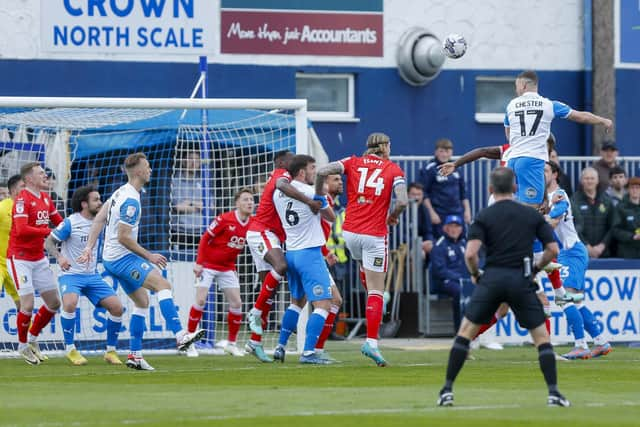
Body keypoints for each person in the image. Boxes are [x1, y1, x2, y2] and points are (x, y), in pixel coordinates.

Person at [436, 167, 569, 408]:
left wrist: (476, 274)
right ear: (515, 188)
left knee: (464, 334)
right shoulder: (531, 215)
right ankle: (554, 393)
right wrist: (536, 269)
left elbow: (471, 254)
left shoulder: (483, 216)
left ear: (490, 189)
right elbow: (553, 251)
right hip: (521, 279)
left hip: (493, 278)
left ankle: (446, 391)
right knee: (541, 338)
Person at [79, 153, 204, 371]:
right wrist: (150, 256)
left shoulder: (120, 192)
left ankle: (135, 355)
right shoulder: (130, 200)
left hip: (110, 258)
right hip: (121, 258)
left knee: (142, 302)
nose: (150, 170)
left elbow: (99, 217)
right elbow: (124, 236)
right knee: (163, 285)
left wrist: (90, 247)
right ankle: (181, 335)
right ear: (138, 172)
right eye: (147, 167)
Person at [316, 132, 408, 367]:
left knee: (363, 266)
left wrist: (318, 196)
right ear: (385, 147)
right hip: (374, 235)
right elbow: (403, 200)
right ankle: (371, 343)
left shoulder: (352, 161)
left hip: (349, 233)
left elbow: (321, 171)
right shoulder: (393, 169)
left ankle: (370, 286)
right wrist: (394, 217)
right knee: (377, 292)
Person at [244, 150, 321, 363]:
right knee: (281, 266)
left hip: (268, 235)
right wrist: (309, 201)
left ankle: (255, 341)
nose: (293, 161)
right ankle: (255, 312)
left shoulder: (283, 177)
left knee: (269, 291)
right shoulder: (282, 175)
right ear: (281, 162)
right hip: (263, 232)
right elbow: (281, 186)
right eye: (290, 158)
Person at [503, 70, 612, 208]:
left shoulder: (510, 105)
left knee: (512, 204)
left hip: (511, 161)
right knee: (532, 208)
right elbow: (580, 116)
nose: (516, 89)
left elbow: (508, 136)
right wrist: (602, 120)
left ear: (523, 85)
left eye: (517, 86)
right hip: (532, 159)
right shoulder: (549, 104)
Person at [45, 186, 124, 366]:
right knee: (70, 303)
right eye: (96, 200)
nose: (100, 202)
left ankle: (111, 351)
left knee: (117, 307)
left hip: (92, 276)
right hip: (71, 275)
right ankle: (70, 349)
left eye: (100, 199)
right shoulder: (71, 222)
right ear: (84, 204)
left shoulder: (101, 221)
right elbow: (49, 241)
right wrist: (59, 257)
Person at [544, 161, 612, 359]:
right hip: (568, 253)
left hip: (572, 252)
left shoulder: (561, 195)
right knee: (577, 301)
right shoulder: (546, 199)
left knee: (564, 297)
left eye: (546, 171)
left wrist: (541, 216)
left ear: (555, 174)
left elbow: (555, 218)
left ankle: (581, 345)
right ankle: (600, 341)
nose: (542, 175)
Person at [272, 155, 336, 364]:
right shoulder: (311, 192)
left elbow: (282, 186)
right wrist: (322, 196)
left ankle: (280, 346)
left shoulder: (277, 195)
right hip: (309, 254)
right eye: (312, 168)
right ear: (301, 172)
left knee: (296, 303)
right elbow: (331, 217)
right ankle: (309, 352)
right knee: (323, 304)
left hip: (291, 252)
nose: (315, 173)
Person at [185, 188, 254, 358]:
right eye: (245, 200)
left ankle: (231, 344)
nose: (249, 203)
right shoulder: (224, 219)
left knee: (237, 304)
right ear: (237, 203)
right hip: (208, 265)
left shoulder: (253, 223)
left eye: (252, 200)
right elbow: (204, 238)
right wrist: (199, 262)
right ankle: (188, 342)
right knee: (200, 300)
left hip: (228, 267)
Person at [8, 162, 64, 365]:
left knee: (54, 303)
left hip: (38, 258)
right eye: (41, 174)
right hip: (20, 258)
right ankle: (22, 346)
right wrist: (48, 232)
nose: (46, 176)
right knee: (28, 304)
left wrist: (76, 228)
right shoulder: (22, 199)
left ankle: (32, 338)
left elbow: (59, 222)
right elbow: (22, 230)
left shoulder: (46, 198)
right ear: (29, 179)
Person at [419, 138, 471, 238]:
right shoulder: (430, 169)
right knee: (441, 241)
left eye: (447, 151)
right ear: (436, 152)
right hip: (439, 213)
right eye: (441, 151)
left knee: (460, 240)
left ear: (451, 152)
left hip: (457, 211)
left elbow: (463, 193)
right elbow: (424, 193)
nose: (444, 154)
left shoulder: (456, 169)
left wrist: (467, 211)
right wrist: (432, 213)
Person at [430, 214, 467, 332]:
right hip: (444, 282)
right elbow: (439, 271)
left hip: (463, 280)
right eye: (451, 226)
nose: (454, 229)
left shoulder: (464, 244)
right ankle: (460, 331)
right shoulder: (440, 244)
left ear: (461, 229)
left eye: (457, 226)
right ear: (445, 228)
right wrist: (459, 278)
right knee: (460, 291)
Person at [170, 150, 213, 250]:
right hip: (180, 231)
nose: (193, 162)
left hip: (201, 230)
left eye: (197, 160)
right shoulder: (175, 181)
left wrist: (190, 202)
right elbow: (178, 207)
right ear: (183, 161)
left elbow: (210, 206)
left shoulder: (204, 181)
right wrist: (200, 206)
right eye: (190, 159)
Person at [571, 167, 615, 258]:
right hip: (581, 252)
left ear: (597, 180)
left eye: (592, 178)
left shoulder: (607, 200)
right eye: (586, 178)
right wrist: (586, 246)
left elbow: (612, 227)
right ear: (581, 181)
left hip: (604, 252)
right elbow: (572, 226)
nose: (589, 181)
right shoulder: (573, 200)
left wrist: (602, 245)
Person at [0, 175, 24, 311]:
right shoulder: (3, 208)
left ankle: (28, 332)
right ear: (15, 190)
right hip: (0, 262)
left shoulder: (29, 209)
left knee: (24, 304)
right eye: (23, 187)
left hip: (15, 263)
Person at [612, 176, 640, 258]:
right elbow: (615, 230)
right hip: (627, 254)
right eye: (632, 188)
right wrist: (632, 236)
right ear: (628, 190)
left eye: (638, 188)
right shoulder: (620, 207)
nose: (635, 190)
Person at [407, 182, 434, 259]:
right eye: (413, 194)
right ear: (407, 195)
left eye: (419, 194)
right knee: (420, 254)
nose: (416, 197)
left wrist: (429, 241)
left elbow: (428, 231)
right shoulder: (401, 210)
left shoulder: (424, 209)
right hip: (403, 246)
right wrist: (418, 244)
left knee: (435, 249)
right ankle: (415, 272)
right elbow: (400, 235)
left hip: (420, 244)